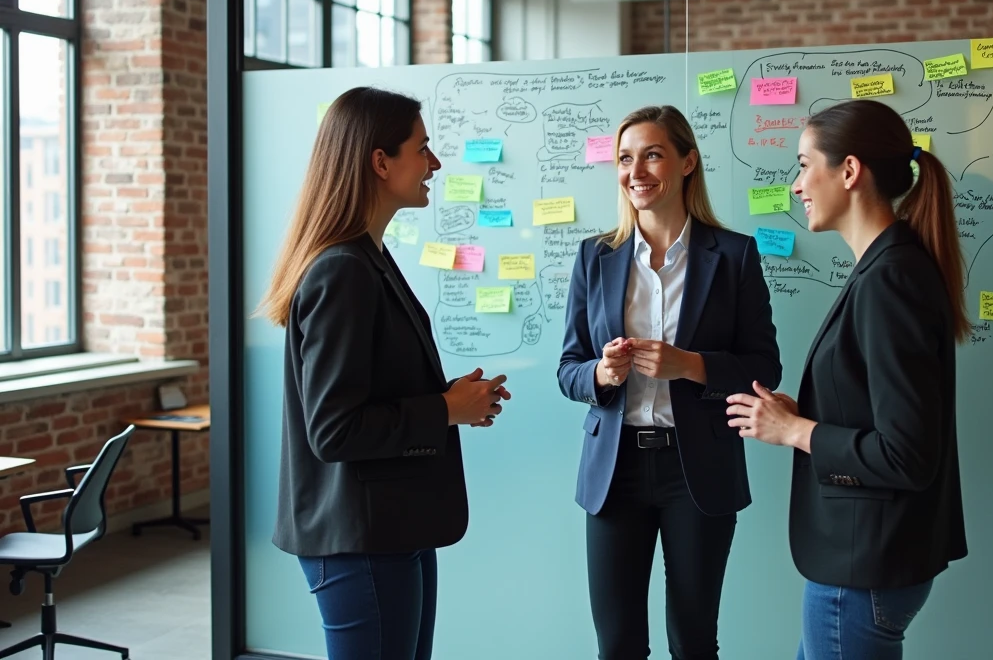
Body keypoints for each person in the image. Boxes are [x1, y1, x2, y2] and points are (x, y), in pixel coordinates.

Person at [258, 87, 511, 660]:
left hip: (392, 526)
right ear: (380, 162)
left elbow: (369, 390)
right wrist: (448, 410)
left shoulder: (367, 257)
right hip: (358, 537)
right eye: (423, 148)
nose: (435, 164)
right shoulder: (342, 270)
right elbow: (335, 430)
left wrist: (452, 398)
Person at [727, 99, 969, 660]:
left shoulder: (890, 280)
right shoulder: (888, 267)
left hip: (862, 569)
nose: (795, 186)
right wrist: (801, 415)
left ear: (850, 171)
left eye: (804, 164)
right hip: (865, 565)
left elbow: (907, 454)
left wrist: (795, 431)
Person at [559, 104, 783, 660]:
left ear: (687, 162)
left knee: (693, 641)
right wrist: (601, 374)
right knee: (617, 645)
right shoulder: (595, 257)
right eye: (625, 158)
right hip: (616, 473)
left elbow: (765, 366)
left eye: (652, 155)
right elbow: (569, 369)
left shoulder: (734, 255)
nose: (636, 171)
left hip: (697, 471)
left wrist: (692, 365)